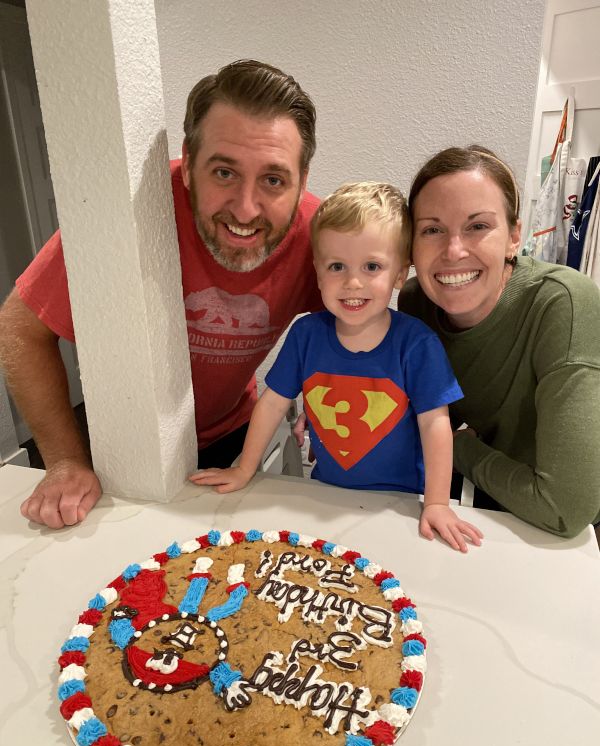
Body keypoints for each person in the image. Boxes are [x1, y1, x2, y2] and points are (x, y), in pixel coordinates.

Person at [0, 60, 323, 530]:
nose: (247, 208)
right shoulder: (123, 216)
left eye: (273, 179)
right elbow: (19, 327)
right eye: (224, 173)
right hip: (118, 445)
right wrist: (65, 462)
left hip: (234, 435)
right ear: (189, 164)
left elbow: (359, 322)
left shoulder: (318, 233)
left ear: (302, 181)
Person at [191, 182, 483, 552]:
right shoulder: (306, 335)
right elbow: (273, 402)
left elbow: (435, 423)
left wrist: (437, 503)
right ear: (318, 271)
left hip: (400, 504)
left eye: (372, 266)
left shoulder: (417, 344)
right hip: (325, 495)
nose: (353, 282)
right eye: (337, 266)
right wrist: (245, 468)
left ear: (398, 274)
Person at [397, 145, 600, 537]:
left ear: (514, 237)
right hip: (479, 503)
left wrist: (461, 449)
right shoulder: (414, 304)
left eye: (477, 226)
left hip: (567, 536)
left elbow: (566, 509)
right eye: (432, 229)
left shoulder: (564, 304)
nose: (453, 251)